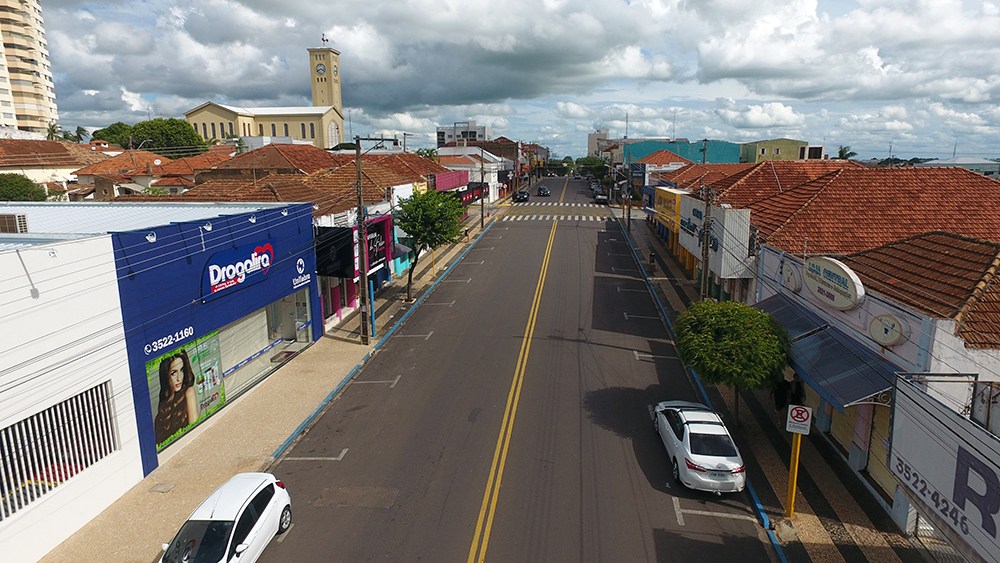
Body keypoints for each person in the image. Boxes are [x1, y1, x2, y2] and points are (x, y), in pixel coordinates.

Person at [154, 349, 199, 444]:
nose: (179, 378)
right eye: (173, 373)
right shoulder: (161, 414)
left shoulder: (189, 392)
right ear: (166, 376)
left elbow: (195, 432)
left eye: (182, 370)